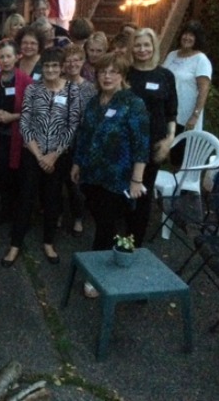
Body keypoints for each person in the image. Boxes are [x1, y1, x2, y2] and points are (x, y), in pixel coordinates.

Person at [71, 54, 149, 296]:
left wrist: (137, 179)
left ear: (123, 76)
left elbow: (141, 144)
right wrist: (76, 163)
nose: (107, 76)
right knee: (101, 221)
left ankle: (96, 278)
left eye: (114, 72)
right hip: (92, 176)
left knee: (106, 224)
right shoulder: (94, 102)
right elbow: (83, 136)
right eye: (103, 71)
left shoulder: (133, 104)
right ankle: (116, 260)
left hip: (118, 178)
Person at [1, 48, 81, 268]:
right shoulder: (32, 90)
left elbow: (72, 127)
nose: (51, 69)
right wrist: (39, 155)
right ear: (42, 68)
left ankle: (48, 242)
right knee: (25, 198)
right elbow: (25, 123)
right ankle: (15, 244)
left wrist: (53, 156)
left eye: (55, 65)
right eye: (47, 66)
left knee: (53, 199)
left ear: (62, 67)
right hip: (33, 154)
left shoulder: (73, 91)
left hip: (58, 156)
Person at [126, 28, 177, 246]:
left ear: (154, 47)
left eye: (147, 45)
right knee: (123, 191)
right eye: (138, 45)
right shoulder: (126, 73)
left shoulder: (165, 75)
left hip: (153, 144)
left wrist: (170, 138)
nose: (142, 49)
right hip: (125, 142)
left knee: (144, 193)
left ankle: (134, 242)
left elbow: (171, 111)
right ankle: (118, 235)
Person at [0, 40, 32, 227]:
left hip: (18, 138)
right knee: (2, 177)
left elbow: (33, 110)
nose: (5, 60)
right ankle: (4, 211)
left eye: (8, 56)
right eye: (1, 56)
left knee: (17, 177)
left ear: (17, 57)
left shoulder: (25, 81)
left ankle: (19, 216)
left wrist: (12, 116)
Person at [162, 20, 212, 165]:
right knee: (163, 150)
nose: (187, 38)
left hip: (186, 114)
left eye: (192, 35)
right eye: (185, 34)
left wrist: (195, 115)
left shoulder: (201, 60)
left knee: (181, 153)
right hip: (168, 111)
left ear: (197, 39)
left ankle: (181, 183)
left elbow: (204, 90)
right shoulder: (172, 55)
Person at [61, 44, 97, 237]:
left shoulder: (90, 89)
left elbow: (93, 119)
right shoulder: (57, 84)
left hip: (79, 142)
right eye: (68, 60)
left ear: (82, 62)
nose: (72, 64)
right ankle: (56, 213)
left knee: (76, 184)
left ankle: (78, 218)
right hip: (58, 142)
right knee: (56, 182)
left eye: (76, 60)